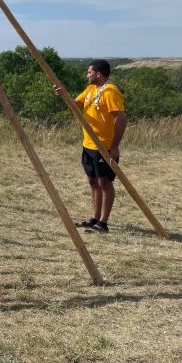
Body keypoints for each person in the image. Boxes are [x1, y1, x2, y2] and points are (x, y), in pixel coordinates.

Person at [55, 59, 127, 233]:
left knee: (105, 183)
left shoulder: (110, 92)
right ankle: (94, 218)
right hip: (88, 145)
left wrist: (114, 146)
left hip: (104, 147)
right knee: (93, 181)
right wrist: (63, 94)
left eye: (89, 72)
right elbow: (75, 105)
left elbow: (121, 119)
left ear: (98, 74)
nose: (87, 75)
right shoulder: (90, 89)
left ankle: (103, 223)